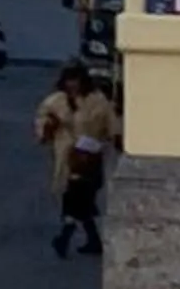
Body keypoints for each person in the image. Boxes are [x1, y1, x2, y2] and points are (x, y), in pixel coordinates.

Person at [34, 62, 120, 258]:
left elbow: (112, 126)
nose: (72, 84)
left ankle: (65, 237)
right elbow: (42, 130)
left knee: (77, 197)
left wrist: (115, 142)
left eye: (76, 80)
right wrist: (50, 125)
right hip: (67, 157)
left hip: (90, 158)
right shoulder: (55, 102)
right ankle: (92, 240)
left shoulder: (98, 101)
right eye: (68, 80)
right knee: (79, 198)